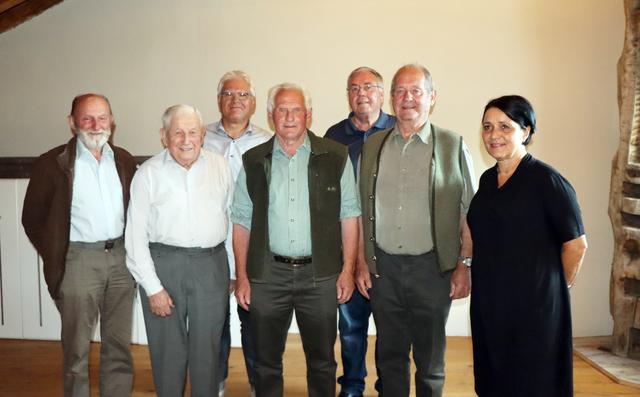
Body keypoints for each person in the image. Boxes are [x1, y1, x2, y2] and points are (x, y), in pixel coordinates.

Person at [232, 83, 360, 397]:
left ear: (309, 115)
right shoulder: (253, 160)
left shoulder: (335, 156)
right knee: (266, 362)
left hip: (319, 275)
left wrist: (346, 271)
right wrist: (243, 277)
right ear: (271, 115)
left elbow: (350, 216)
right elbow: (241, 221)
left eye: (297, 110)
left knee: (322, 362)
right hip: (267, 275)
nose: (289, 117)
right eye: (282, 110)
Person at [356, 64, 475, 397]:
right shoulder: (373, 146)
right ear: (392, 99)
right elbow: (361, 210)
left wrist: (464, 266)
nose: (407, 98)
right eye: (400, 91)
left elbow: (469, 213)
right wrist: (362, 262)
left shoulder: (453, 145)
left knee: (430, 361)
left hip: (432, 270)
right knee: (390, 357)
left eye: (416, 91)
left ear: (432, 98)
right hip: (385, 270)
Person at [467, 95, 588, 397]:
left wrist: (552, 290)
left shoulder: (547, 181)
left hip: (534, 309)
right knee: (495, 378)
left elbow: (576, 245)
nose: (494, 135)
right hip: (490, 304)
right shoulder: (486, 181)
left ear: (527, 131)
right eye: (487, 127)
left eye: (505, 127)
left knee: (531, 382)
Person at [22, 93, 137, 397]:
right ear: (72, 123)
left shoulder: (124, 160)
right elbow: (32, 219)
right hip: (78, 262)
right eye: (87, 118)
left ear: (112, 120)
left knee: (118, 345)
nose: (95, 125)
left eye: (102, 117)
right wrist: (58, 253)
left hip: (122, 262)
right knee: (76, 350)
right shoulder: (52, 164)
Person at [125, 104, 233, 397]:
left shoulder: (220, 166)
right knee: (167, 352)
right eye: (178, 133)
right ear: (164, 136)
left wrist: (233, 272)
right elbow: (134, 236)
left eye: (193, 132)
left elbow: (231, 218)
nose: (186, 140)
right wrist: (152, 288)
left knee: (208, 350)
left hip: (211, 266)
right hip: (164, 266)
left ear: (203, 135)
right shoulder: (147, 174)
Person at [325, 66, 395, 397]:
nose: (361, 93)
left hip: (390, 252)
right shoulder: (334, 136)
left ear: (382, 93)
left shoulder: (399, 130)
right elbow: (327, 198)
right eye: (354, 88)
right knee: (351, 327)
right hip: (347, 248)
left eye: (369, 86)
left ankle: (387, 387)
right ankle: (351, 386)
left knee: (390, 328)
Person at [204, 70, 272, 397]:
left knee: (254, 323)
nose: (236, 100)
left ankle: (259, 386)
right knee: (214, 324)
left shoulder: (268, 141)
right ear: (218, 100)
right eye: (229, 94)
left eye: (243, 94)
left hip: (254, 248)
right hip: (212, 247)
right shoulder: (198, 137)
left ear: (254, 102)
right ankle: (214, 384)